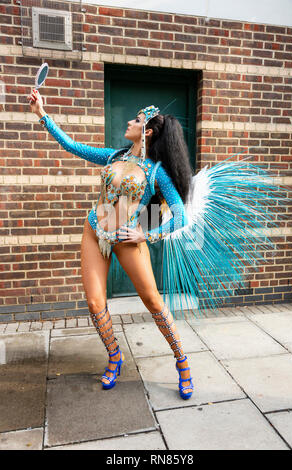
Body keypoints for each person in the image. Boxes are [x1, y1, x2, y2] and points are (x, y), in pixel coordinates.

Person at [27, 89, 195, 399]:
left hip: (126, 238)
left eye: (135, 119)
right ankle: (114, 355)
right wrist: (42, 114)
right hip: (95, 229)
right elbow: (72, 146)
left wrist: (146, 234)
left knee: (154, 302)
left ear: (146, 131)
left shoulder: (157, 172)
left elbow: (181, 217)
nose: (129, 122)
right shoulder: (115, 156)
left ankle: (182, 361)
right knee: (94, 303)